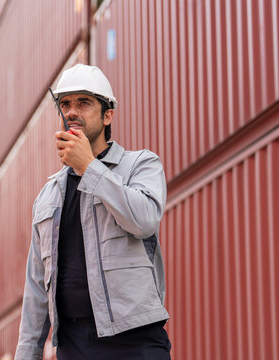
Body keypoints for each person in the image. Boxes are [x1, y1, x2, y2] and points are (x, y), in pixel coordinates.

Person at [15, 64, 171, 360]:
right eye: (65, 104)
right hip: (73, 347)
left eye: (83, 103)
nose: (71, 112)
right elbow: (36, 288)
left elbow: (145, 220)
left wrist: (89, 166)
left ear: (107, 114)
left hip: (135, 343)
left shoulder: (141, 165)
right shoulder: (47, 196)